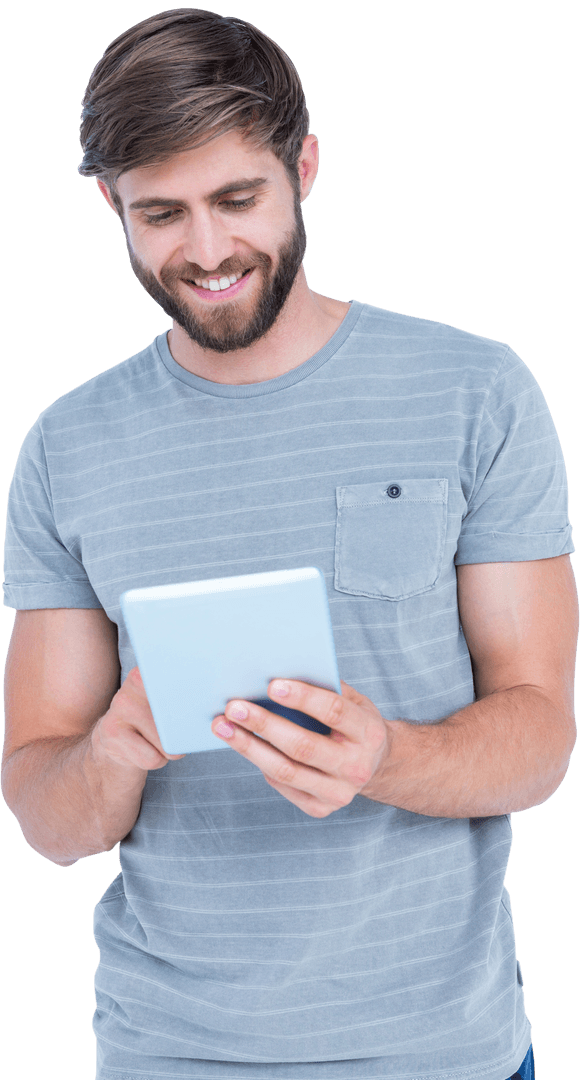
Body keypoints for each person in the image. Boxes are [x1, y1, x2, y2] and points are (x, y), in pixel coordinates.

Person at [1, 9, 576, 1080]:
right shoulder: (66, 447)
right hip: (167, 1055)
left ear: (302, 165)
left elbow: (539, 738)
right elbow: (47, 813)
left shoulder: (475, 391)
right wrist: (112, 751)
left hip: (442, 1054)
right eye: (161, 213)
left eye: (237, 199)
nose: (208, 251)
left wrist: (387, 758)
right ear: (107, 203)